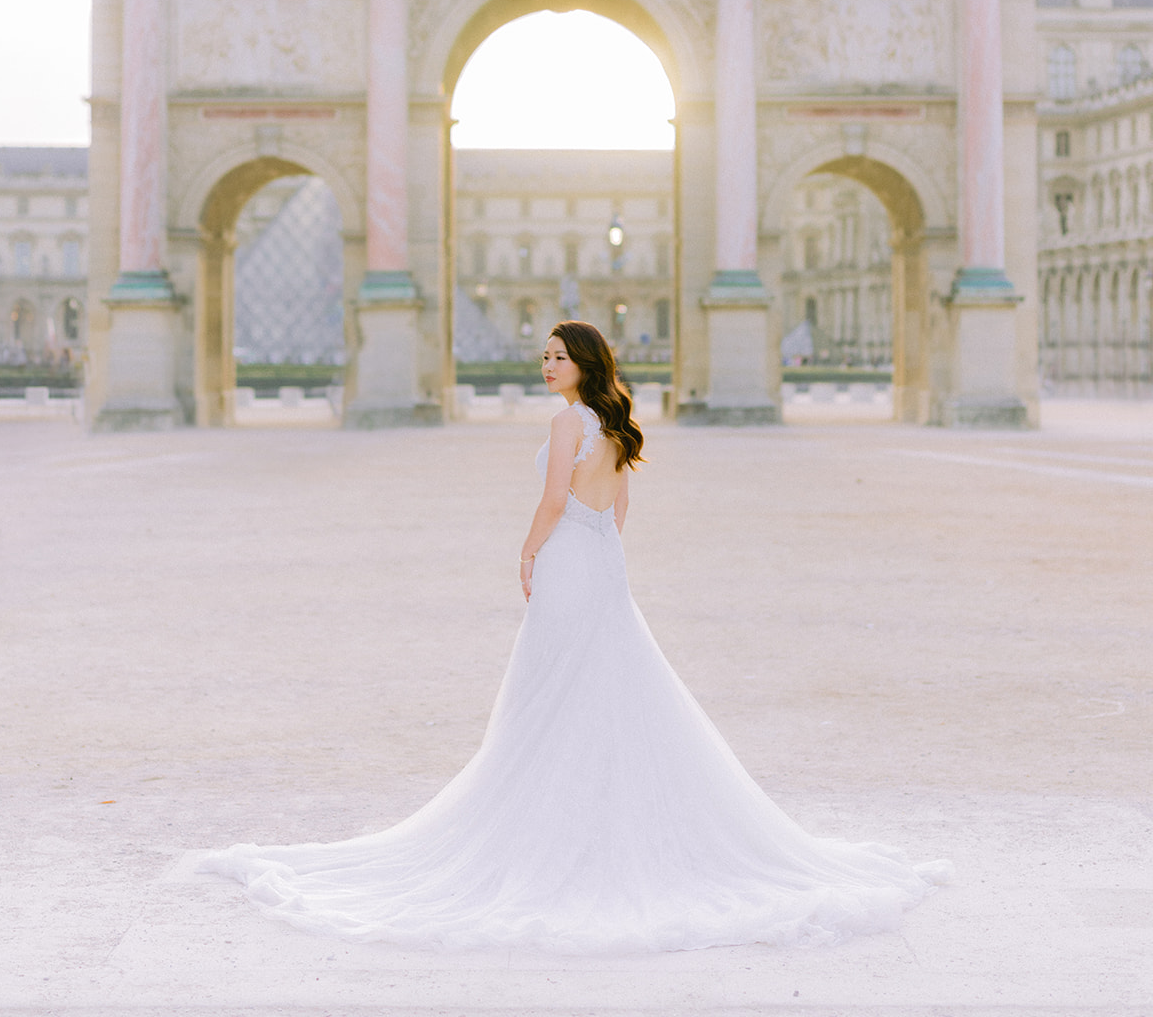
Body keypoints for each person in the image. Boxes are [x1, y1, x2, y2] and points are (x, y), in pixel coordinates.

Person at [197, 319, 948, 950]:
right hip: (603, 565)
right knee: (607, 690)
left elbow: (554, 500)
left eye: (557, 355)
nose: (546, 365)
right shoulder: (616, 424)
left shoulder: (565, 424)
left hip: (566, 563)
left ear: (582, 364)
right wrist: (595, 555)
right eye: (545, 355)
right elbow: (616, 510)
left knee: (546, 698)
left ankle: (549, 829)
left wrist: (527, 552)